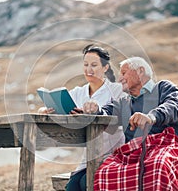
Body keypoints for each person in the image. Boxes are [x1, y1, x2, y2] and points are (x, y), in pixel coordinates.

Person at [83, 57, 178, 190]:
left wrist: (151, 117)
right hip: (133, 152)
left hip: (165, 146)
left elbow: (173, 107)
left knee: (158, 166)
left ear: (140, 71)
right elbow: (105, 112)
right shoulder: (123, 102)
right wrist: (95, 108)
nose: (119, 79)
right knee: (105, 172)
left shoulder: (163, 87)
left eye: (124, 73)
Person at [38, 44, 127, 191]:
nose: (88, 69)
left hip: (113, 153)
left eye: (94, 65)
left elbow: (119, 119)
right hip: (89, 156)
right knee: (72, 186)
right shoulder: (78, 92)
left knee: (86, 182)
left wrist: (95, 112)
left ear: (105, 67)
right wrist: (46, 110)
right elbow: (62, 110)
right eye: (85, 65)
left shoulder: (117, 91)